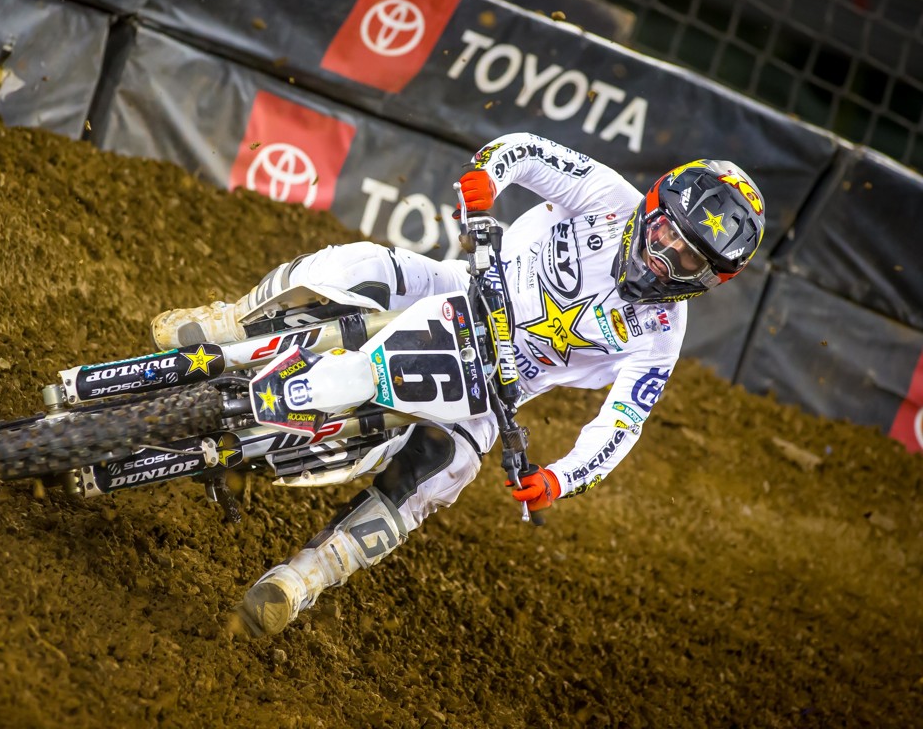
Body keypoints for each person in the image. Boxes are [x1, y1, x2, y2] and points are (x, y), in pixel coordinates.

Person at [149, 133, 766, 638]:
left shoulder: (660, 338)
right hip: (456, 289)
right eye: (665, 232)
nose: (663, 255)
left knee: (441, 476)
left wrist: (559, 479)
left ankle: (302, 580)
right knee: (356, 265)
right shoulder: (608, 195)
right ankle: (230, 322)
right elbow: (524, 150)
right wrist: (486, 181)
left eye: (687, 258)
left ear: (709, 278)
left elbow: (620, 426)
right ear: (652, 208)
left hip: (492, 394)